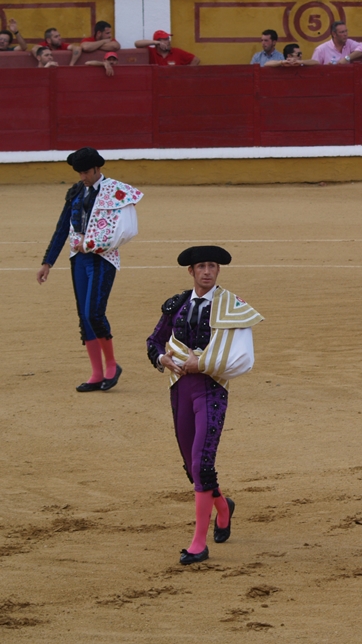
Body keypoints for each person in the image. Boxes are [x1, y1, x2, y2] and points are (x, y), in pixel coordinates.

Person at [146, 245, 264, 565]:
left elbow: (242, 354)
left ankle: (198, 543)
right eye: (201, 266)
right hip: (180, 389)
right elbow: (155, 340)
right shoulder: (177, 305)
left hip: (211, 389)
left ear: (218, 271)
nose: (207, 271)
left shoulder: (231, 305)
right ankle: (223, 507)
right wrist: (162, 358)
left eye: (212, 266)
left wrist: (205, 363)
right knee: (191, 464)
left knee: (201, 461)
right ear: (191, 271)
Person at [37, 148, 143, 393]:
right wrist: (47, 262)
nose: (82, 176)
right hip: (78, 260)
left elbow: (125, 229)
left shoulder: (116, 192)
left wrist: (96, 244)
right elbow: (62, 227)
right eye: (79, 172)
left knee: (94, 313)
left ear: (97, 168)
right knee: (84, 317)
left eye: (85, 172)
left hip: (102, 259)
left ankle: (112, 366)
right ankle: (96, 373)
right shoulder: (75, 191)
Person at [135, 30, 202, 66]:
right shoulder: (151, 52)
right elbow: (137, 44)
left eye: (168, 39)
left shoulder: (177, 52)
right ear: (158, 42)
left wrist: (184, 74)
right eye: (165, 39)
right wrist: (155, 43)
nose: (169, 41)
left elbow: (196, 60)